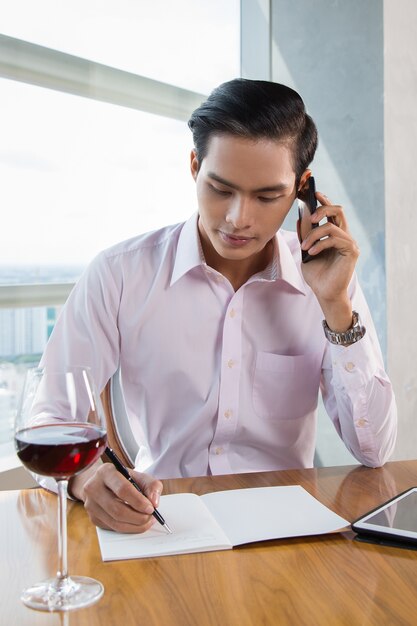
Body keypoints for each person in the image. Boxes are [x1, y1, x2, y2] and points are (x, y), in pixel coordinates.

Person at [39, 79, 397, 533]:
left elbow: (375, 450)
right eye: (221, 188)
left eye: (267, 196)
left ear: (301, 191)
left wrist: (335, 305)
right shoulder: (120, 274)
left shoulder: (328, 282)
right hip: (161, 526)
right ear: (194, 166)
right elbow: (49, 419)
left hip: (284, 536)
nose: (238, 218)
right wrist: (85, 478)